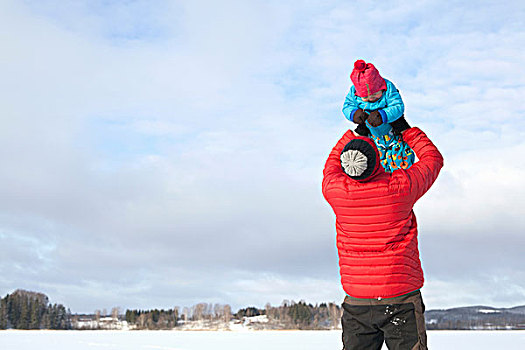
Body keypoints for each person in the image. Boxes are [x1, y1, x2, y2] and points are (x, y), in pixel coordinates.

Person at [322, 121, 443, 349]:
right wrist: (405, 129)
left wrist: (356, 133)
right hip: (401, 298)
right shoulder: (399, 187)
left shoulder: (335, 191)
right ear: (378, 160)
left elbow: (330, 166)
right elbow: (433, 160)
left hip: (357, 301)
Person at [342, 59, 414, 172]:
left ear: (381, 87)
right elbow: (347, 106)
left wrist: (383, 115)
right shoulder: (353, 92)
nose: (370, 99)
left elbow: (398, 106)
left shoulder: (389, 88)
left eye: (375, 94)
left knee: (401, 158)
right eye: (365, 97)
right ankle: (382, 182)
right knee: (376, 161)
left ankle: (402, 179)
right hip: (373, 137)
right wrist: (353, 114)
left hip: (394, 134)